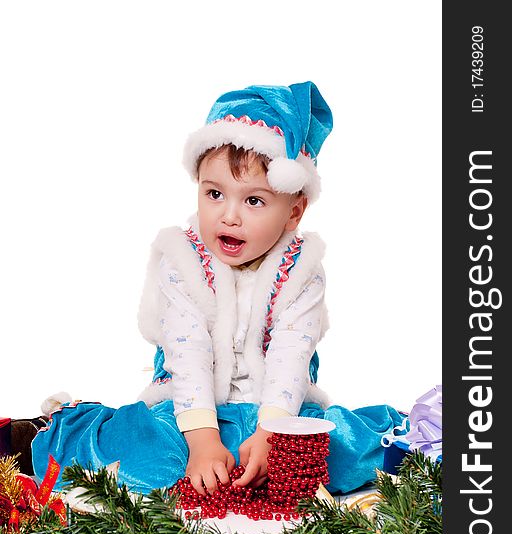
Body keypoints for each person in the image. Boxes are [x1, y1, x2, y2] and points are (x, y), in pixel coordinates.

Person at [32, 82, 403, 496]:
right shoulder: (183, 261)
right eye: (214, 194)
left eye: (254, 201)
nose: (229, 216)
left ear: (294, 212)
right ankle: (71, 426)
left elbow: (290, 358)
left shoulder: (302, 271)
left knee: (333, 453)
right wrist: (203, 442)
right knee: (146, 456)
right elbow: (188, 356)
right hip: (190, 413)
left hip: (279, 411)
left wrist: (274, 435)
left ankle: (409, 434)